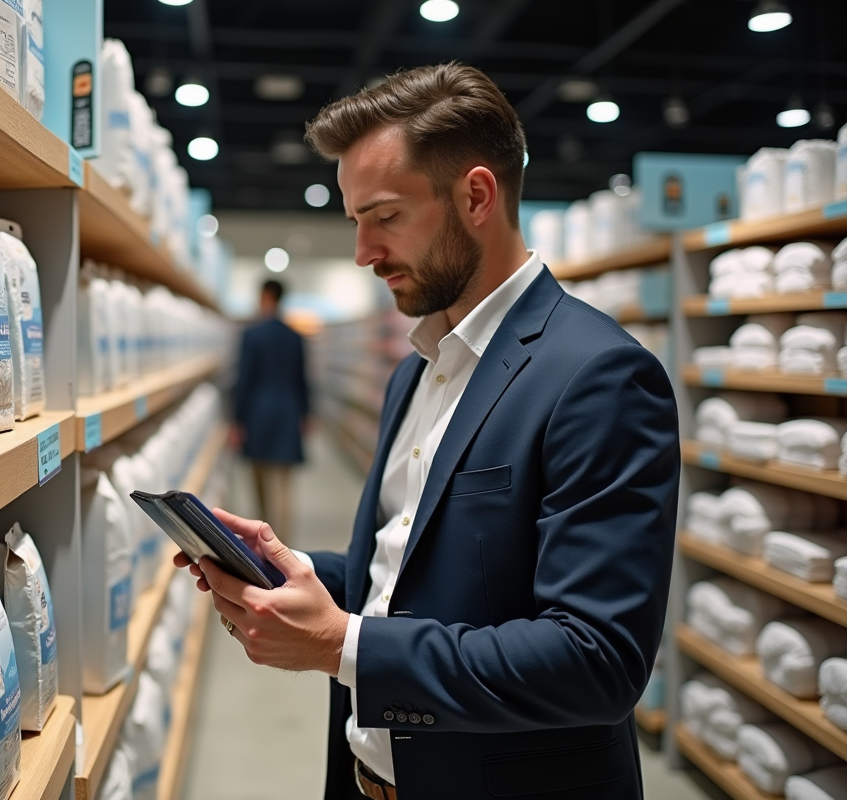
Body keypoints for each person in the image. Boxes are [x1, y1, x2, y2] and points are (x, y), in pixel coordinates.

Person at [176, 62, 679, 800]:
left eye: (385, 216)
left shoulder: (599, 376)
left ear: (476, 195)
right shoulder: (416, 370)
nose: (363, 253)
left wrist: (341, 643)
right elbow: (418, 571)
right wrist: (300, 576)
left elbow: (595, 659)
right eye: (355, 222)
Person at [231, 279, 310, 539]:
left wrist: (236, 419)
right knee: (283, 481)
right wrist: (307, 413)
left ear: (264, 296)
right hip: (288, 411)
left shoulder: (252, 335)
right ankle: (283, 545)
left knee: (258, 476)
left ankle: (262, 538)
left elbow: (244, 380)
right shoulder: (295, 336)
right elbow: (302, 378)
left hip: (258, 412)